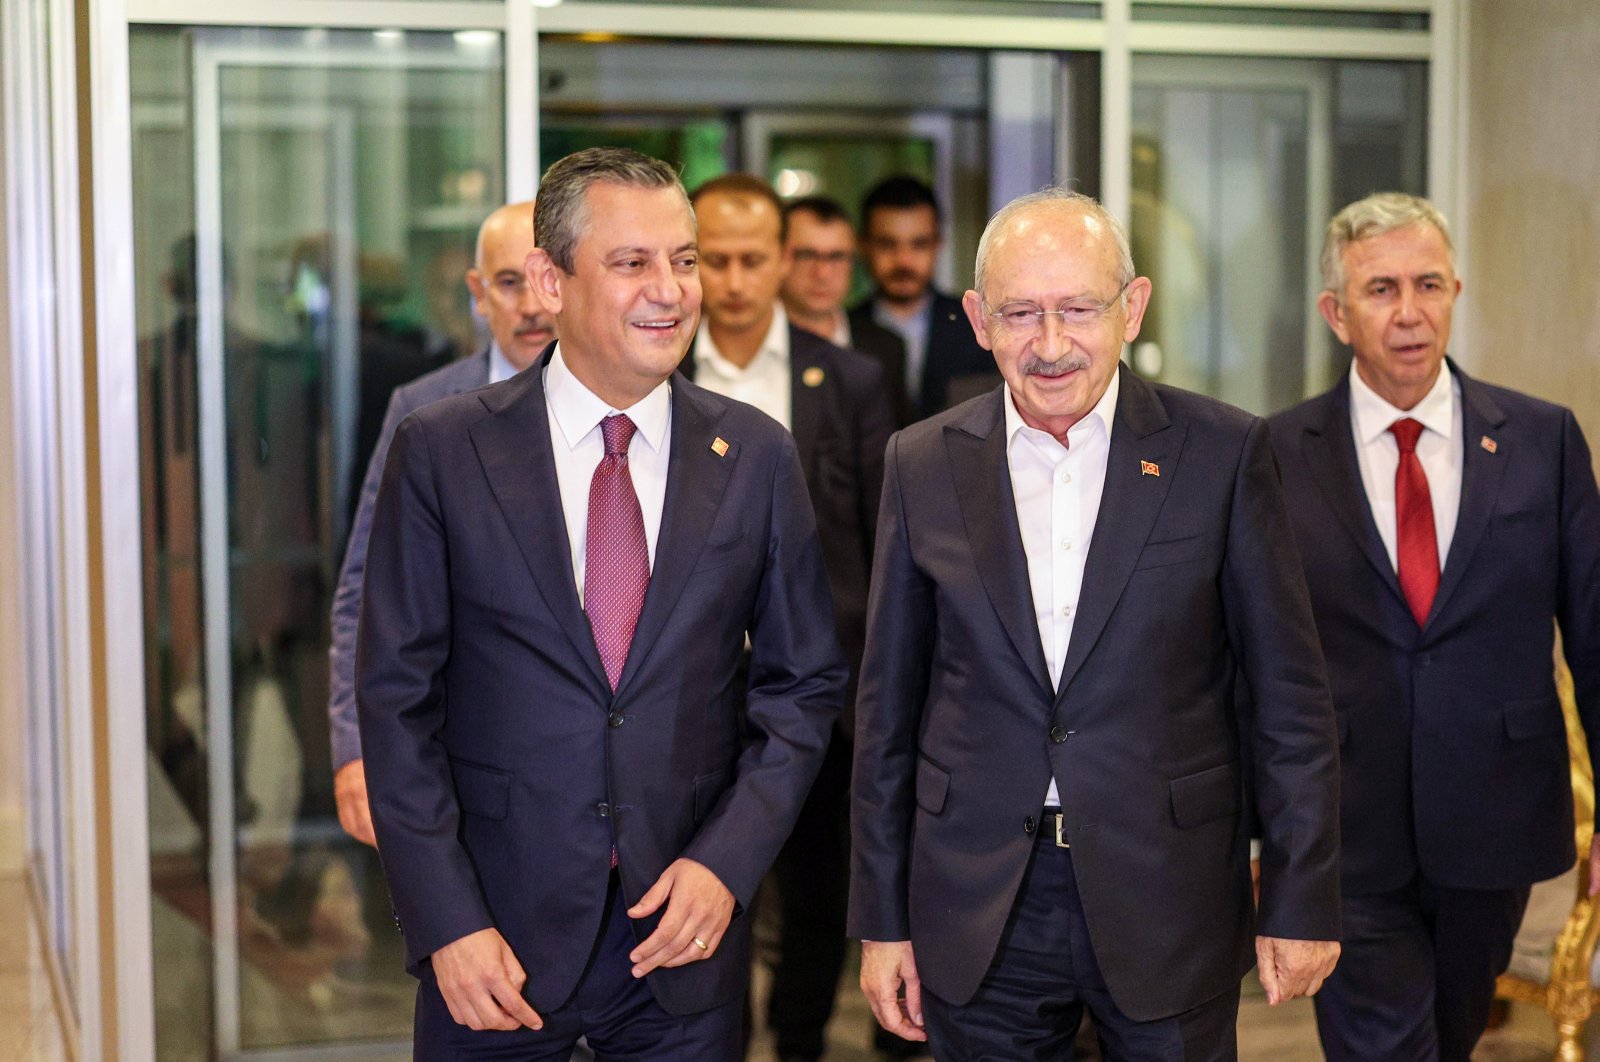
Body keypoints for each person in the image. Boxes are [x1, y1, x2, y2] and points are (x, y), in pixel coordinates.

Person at [356, 146, 846, 1059]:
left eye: (684, 260)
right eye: (632, 263)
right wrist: (444, 921)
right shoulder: (443, 451)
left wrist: (727, 865)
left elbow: (803, 689)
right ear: (550, 279)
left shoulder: (756, 457)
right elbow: (395, 703)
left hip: (680, 938)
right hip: (492, 939)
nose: (672, 290)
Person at [849, 186, 1343, 1061]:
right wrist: (883, 921)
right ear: (976, 318)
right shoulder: (920, 462)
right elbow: (887, 712)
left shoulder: (1223, 453)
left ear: (1133, 307)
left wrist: (1301, 899)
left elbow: (1290, 698)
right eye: (1020, 314)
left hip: (1170, 891)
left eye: (1078, 310)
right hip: (977, 900)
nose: (1049, 346)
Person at [1268, 192, 1600, 1062]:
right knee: (1385, 1047)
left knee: (1446, 1037)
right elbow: (1250, 659)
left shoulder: (1542, 440)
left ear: (1457, 290)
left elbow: (1595, 632)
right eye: (1380, 290)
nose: (1409, 313)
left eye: (1427, 285)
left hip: (1496, 820)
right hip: (1342, 826)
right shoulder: (1273, 455)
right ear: (1336, 314)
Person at [684, 174, 894, 1062]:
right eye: (713, 259)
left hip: (817, 690)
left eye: (750, 259)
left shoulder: (847, 380)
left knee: (815, 895)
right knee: (703, 894)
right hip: (689, 694)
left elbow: (883, 542)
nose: (732, 281)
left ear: (785, 259)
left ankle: (800, 1043)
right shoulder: (660, 370)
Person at [328, 200, 553, 847]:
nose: (532, 306)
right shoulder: (424, 408)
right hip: (457, 754)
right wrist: (353, 745)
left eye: (544, 280)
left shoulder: (626, 402)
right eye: (509, 283)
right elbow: (365, 590)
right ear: (479, 295)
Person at [849, 176, 994, 420]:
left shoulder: (977, 325)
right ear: (863, 246)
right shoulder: (843, 331)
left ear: (938, 245)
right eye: (887, 244)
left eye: (919, 244)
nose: (903, 260)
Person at [780, 194, 910, 427]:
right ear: (780, 257)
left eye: (837, 257)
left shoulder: (886, 347)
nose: (822, 273)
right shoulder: (759, 343)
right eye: (807, 255)